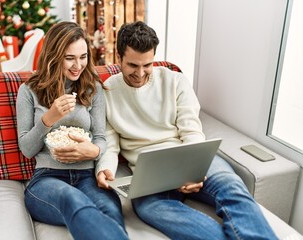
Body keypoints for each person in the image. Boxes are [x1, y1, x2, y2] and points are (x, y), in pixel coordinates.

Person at [96, 21, 278, 240]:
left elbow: (191, 130)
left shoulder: (175, 80)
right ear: (119, 58)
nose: (141, 73)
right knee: (149, 208)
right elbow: (109, 142)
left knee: (233, 188)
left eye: (147, 65)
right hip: (151, 173)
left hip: (188, 155)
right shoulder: (106, 91)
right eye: (133, 65)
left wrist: (193, 169)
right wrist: (105, 169)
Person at [16, 22, 128, 240]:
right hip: (47, 178)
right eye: (70, 58)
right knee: (73, 199)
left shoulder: (92, 87)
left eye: (83, 56)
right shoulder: (29, 90)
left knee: (111, 210)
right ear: (53, 56)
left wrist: (94, 152)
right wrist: (49, 118)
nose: (78, 65)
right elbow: (27, 149)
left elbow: (100, 137)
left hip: (88, 176)